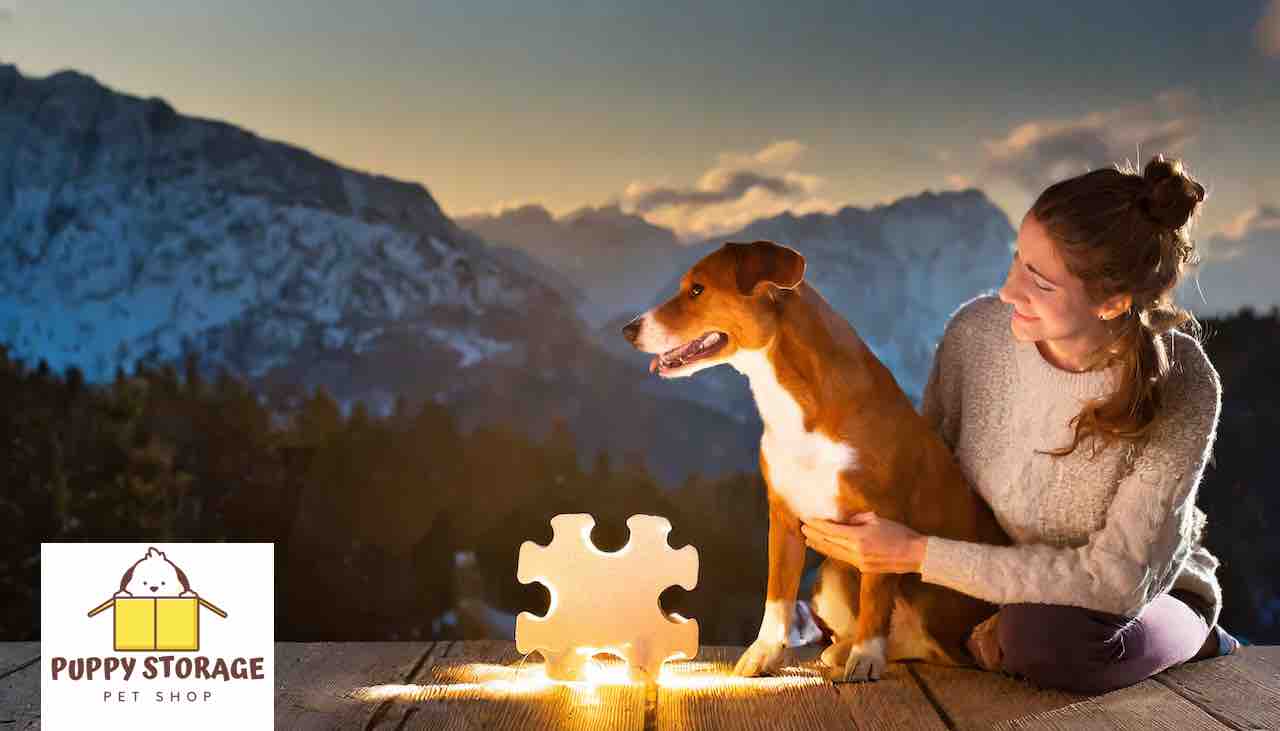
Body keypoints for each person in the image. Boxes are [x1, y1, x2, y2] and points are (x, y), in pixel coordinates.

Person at [799, 154, 1240, 695]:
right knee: (844, 594)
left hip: (1127, 599)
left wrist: (913, 553)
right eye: (1016, 261)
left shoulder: (1184, 383)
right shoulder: (976, 333)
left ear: (1112, 302)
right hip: (990, 576)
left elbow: (1117, 582)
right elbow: (922, 474)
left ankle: (1197, 637)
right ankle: (985, 644)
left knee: (1045, 638)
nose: (1008, 292)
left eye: (1040, 282)